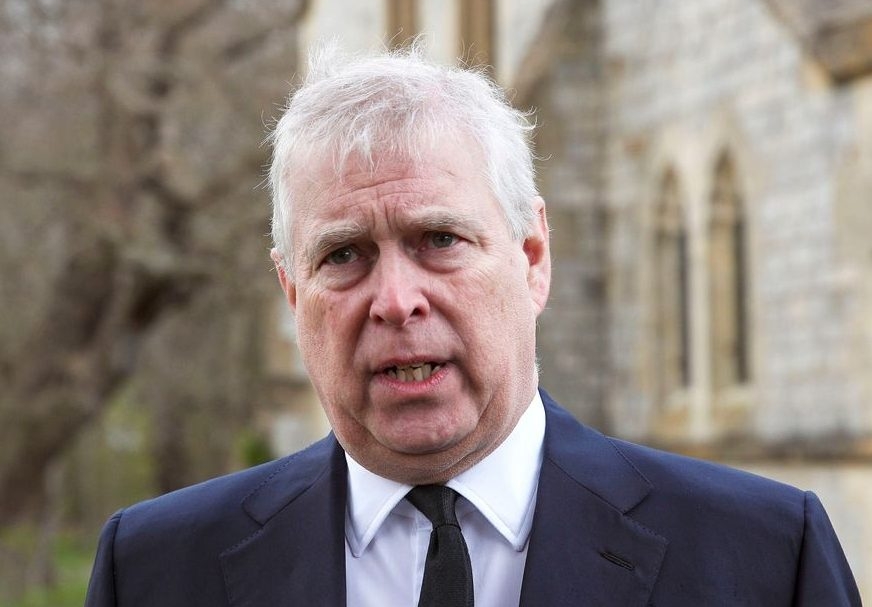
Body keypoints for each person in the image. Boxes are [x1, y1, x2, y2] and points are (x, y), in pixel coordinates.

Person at [84, 45, 861, 607]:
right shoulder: (153, 570)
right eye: (345, 254)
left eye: (439, 240)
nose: (396, 300)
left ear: (531, 257)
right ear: (293, 291)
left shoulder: (763, 557)